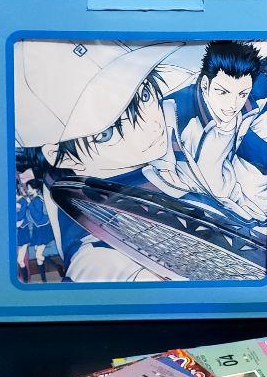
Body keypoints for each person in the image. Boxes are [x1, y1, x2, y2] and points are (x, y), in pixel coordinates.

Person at [14, 40, 203, 281]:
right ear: (60, 154)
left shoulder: (154, 167)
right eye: (107, 133)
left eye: (145, 95)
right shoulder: (97, 255)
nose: (149, 124)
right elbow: (96, 266)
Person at [172, 40, 267, 224]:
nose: (232, 104)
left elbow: (263, 158)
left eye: (242, 94)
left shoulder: (255, 98)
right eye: (223, 92)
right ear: (205, 85)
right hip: (185, 206)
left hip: (235, 208)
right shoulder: (176, 113)